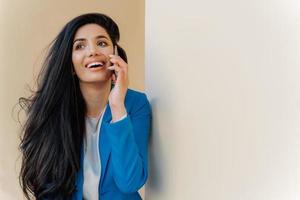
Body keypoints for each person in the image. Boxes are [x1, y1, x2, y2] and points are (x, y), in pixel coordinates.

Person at [18, 13, 151, 200]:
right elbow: (47, 187)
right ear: (71, 65)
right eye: (80, 46)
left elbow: (130, 182)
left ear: (115, 56)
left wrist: (117, 106)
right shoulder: (55, 111)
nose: (92, 51)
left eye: (102, 43)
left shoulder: (136, 104)